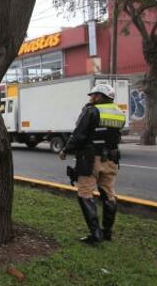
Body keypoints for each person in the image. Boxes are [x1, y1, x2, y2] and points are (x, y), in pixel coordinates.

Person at [59, 84, 126, 244]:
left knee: (85, 193)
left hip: (91, 159)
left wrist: (66, 149)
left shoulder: (91, 111)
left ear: (100, 97)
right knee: (109, 194)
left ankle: (96, 234)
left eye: (94, 95)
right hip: (111, 159)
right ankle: (107, 232)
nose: (91, 98)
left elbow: (79, 134)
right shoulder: (119, 112)